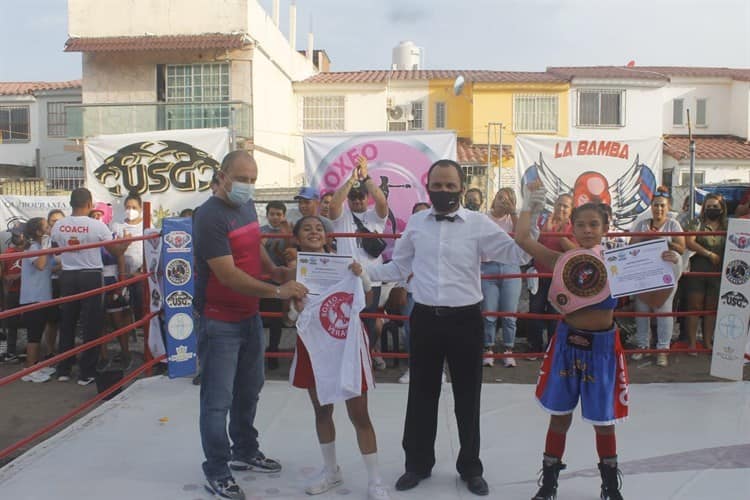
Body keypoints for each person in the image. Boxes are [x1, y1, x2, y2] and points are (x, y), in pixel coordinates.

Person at [364, 159, 530, 496]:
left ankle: (471, 467)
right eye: (437, 186)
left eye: (450, 186)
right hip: (424, 317)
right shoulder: (416, 223)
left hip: (466, 319)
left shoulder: (479, 224)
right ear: (429, 186)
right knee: (421, 394)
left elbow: (518, 254)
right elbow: (400, 265)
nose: (443, 191)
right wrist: (365, 273)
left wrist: (528, 216)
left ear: (460, 187)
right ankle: (417, 465)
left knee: (468, 397)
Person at [515, 186, 680, 500]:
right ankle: (548, 485)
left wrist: (667, 268)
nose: (587, 230)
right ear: (572, 228)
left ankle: (609, 486)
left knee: (604, 422)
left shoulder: (622, 262)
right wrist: (528, 208)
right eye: (581, 225)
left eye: (594, 225)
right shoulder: (564, 259)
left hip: (602, 350)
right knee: (559, 417)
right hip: (567, 345)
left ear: (606, 227)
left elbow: (656, 300)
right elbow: (523, 239)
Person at [193, 150, 308, 500]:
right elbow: (227, 275)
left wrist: (273, 269)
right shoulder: (208, 216)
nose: (247, 185)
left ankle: (244, 449)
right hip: (219, 319)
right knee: (217, 400)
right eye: (242, 178)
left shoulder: (244, 208)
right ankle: (216, 468)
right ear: (222, 176)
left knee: (250, 388)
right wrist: (277, 289)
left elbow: (251, 242)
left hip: (248, 315)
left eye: (253, 180)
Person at [287, 215, 389, 500]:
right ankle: (331, 471)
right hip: (314, 344)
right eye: (306, 228)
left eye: (319, 228)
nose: (314, 231)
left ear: (327, 235)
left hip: (347, 344)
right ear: (296, 237)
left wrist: (361, 275)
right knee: (322, 411)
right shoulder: (295, 271)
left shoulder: (345, 261)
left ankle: (375, 480)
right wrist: (296, 306)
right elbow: (291, 317)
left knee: (359, 414)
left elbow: (366, 300)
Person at [51, 188, 125, 385]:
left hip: (67, 275)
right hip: (91, 275)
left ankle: (64, 370)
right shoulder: (96, 225)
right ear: (90, 203)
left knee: (67, 323)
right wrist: (124, 243)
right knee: (91, 324)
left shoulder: (59, 224)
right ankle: (86, 373)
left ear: (70, 202)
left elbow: (56, 248)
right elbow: (116, 250)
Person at [329, 156, 389, 355]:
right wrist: (351, 179)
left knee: (368, 323)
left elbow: (381, 200)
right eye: (352, 197)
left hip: (371, 279)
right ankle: (347, 360)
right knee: (344, 321)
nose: (356, 200)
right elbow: (333, 206)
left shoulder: (375, 216)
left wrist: (366, 177)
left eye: (360, 196)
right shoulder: (342, 217)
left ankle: (365, 359)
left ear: (366, 197)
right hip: (346, 279)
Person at [629, 187, 685, 366]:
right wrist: (645, 238)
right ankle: (643, 346)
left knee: (664, 311)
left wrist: (664, 241)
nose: (659, 209)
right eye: (656, 205)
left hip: (666, 274)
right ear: (651, 206)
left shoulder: (673, 225)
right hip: (645, 274)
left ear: (667, 207)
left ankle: (663, 349)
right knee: (642, 310)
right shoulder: (642, 224)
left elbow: (681, 248)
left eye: (662, 206)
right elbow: (631, 246)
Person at [527, 193, 577, 356]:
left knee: (555, 314)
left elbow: (575, 252)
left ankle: (552, 348)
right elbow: (530, 244)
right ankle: (534, 346)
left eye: (565, 206)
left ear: (571, 210)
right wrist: (546, 231)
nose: (561, 208)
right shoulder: (542, 221)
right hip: (539, 275)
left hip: (560, 278)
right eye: (559, 204)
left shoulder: (574, 227)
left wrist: (560, 236)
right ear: (554, 205)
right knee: (535, 310)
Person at [481, 187, 522, 368]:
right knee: (489, 313)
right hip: (487, 267)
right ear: (494, 198)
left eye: (507, 199)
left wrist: (513, 212)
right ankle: (487, 349)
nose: (502, 202)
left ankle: (508, 350)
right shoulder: (483, 217)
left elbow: (523, 236)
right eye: (499, 197)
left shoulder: (513, 218)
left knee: (509, 314)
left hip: (511, 266)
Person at [684, 193, 728, 352]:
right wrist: (708, 254)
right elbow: (689, 242)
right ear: (703, 208)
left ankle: (708, 342)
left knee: (711, 308)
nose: (712, 209)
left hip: (718, 273)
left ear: (722, 209)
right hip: (697, 271)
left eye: (715, 207)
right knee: (694, 306)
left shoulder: (727, 226)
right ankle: (692, 344)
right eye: (708, 206)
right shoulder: (696, 222)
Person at [19, 218, 59, 382]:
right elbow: (41, 265)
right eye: (47, 226)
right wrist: (45, 244)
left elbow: (52, 266)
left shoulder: (43, 247)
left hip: (43, 297)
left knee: (40, 331)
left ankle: (35, 365)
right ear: (38, 232)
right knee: (34, 336)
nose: (50, 228)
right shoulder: (32, 247)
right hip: (32, 298)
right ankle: (29, 370)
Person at [397, 201, 431, 384]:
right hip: (411, 291)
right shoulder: (405, 237)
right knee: (410, 330)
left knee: (435, 332)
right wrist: (401, 287)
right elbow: (399, 266)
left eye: (425, 213)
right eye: (417, 213)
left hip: (433, 293)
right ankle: (413, 368)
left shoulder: (441, 237)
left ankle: (437, 369)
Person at [260, 200, 290, 370]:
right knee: (257, 317)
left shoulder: (288, 232)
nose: (275, 217)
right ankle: (257, 352)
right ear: (267, 215)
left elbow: (292, 253)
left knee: (275, 320)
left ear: (283, 215)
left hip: (280, 281)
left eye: (279, 214)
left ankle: (273, 351)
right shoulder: (260, 232)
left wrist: (288, 236)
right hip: (260, 281)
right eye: (272, 214)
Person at [113, 192, 145, 327]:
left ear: (141, 208)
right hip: (122, 273)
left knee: (140, 301)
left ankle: (141, 326)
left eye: (134, 207)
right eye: (127, 207)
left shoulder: (147, 226)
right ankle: (126, 330)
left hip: (141, 273)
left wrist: (142, 270)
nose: (130, 210)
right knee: (122, 305)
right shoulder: (117, 226)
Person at [0, 224, 25, 363]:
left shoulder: (31, 251)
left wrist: (21, 275)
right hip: (12, 293)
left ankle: (27, 350)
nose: (15, 237)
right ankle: (10, 351)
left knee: (30, 321)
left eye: (18, 234)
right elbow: (3, 274)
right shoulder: (7, 253)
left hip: (29, 292)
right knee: (11, 322)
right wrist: (6, 279)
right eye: (13, 234)